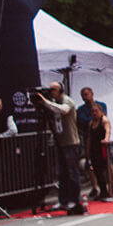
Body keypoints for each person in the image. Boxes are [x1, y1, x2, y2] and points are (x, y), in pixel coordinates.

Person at [33, 83, 85, 215]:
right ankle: (63, 200)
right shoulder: (53, 102)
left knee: (72, 173)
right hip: (60, 142)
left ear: (60, 90)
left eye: (53, 89)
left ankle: (75, 199)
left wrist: (45, 102)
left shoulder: (67, 100)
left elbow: (63, 110)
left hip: (71, 142)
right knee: (62, 173)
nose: (51, 92)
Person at [76, 86, 109, 200]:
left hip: (102, 142)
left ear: (92, 93)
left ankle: (110, 187)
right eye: (83, 95)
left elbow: (106, 124)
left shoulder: (102, 109)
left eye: (87, 94)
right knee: (93, 166)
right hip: (91, 142)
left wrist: (106, 138)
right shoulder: (81, 111)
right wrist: (87, 149)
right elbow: (81, 122)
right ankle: (97, 188)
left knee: (106, 166)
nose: (85, 97)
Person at [85, 105, 113, 202]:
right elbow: (89, 138)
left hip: (103, 148)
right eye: (93, 111)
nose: (94, 113)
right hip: (94, 149)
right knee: (97, 171)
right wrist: (87, 151)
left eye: (96, 111)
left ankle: (111, 188)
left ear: (101, 111)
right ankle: (103, 190)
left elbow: (108, 130)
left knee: (107, 168)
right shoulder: (91, 123)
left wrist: (106, 139)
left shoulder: (104, 120)